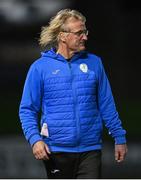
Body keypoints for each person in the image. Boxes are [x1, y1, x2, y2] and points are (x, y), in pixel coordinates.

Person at [19, 9, 128, 179]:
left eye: (85, 32)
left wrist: (119, 137)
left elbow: (106, 103)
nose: (85, 37)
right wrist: (35, 139)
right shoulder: (39, 68)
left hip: (90, 150)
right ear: (63, 36)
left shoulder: (94, 63)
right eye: (79, 33)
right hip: (55, 151)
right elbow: (27, 109)